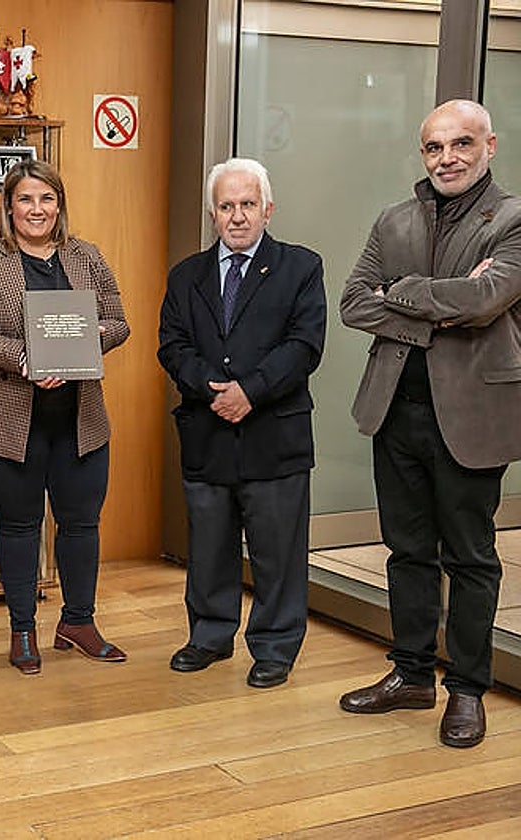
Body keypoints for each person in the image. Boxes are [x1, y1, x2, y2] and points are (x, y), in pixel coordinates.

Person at [338, 100, 521, 748]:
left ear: (489, 146)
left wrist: (404, 292)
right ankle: (412, 675)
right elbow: (354, 302)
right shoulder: (394, 220)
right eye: (435, 147)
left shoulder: (514, 220)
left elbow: (485, 299)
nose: (448, 157)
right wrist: (435, 302)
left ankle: (467, 692)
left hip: (471, 419)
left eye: (462, 143)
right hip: (396, 414)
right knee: (408, 553)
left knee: (470, 559)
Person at [0, 160, 130, 676]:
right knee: (18, 526)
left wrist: (92, 337)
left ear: (60, 205)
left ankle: (78, 622)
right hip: (10, 418)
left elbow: (119, 322)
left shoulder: (87, 256)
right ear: (9, 207)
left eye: (47, 199)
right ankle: (22, 630)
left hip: (80, 419)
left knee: (81, 524)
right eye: (26, 199)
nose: (37, 209)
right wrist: (27, 361)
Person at [158, 157, 325, 690]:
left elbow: (305, 345)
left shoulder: (301, 267)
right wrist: (214, 390)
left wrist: (249, 391)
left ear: (268, 209)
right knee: (208, 546)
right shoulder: (187, 276)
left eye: (247, 204)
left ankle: (275, 646)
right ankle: (208, 636)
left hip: (274, 433)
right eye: (226, 207)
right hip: (208, 431)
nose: (237, 216)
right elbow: (173, 345)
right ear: (213, 215)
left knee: (277, 551)